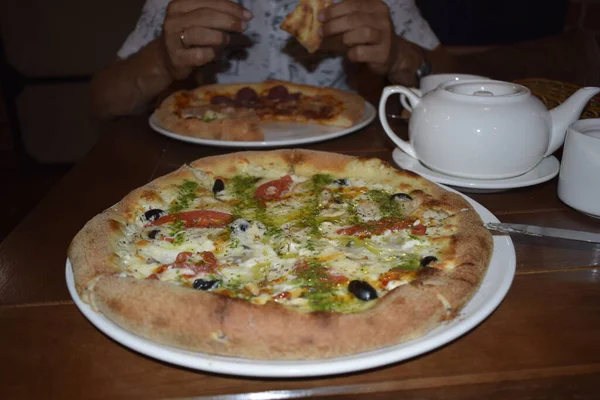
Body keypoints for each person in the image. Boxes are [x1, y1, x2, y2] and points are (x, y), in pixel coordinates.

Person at [91, 0, 453, 120]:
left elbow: (459, 80)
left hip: (344, 141)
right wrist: (163, 60)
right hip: (214, 140)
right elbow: (102, 101)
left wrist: (399, 55)